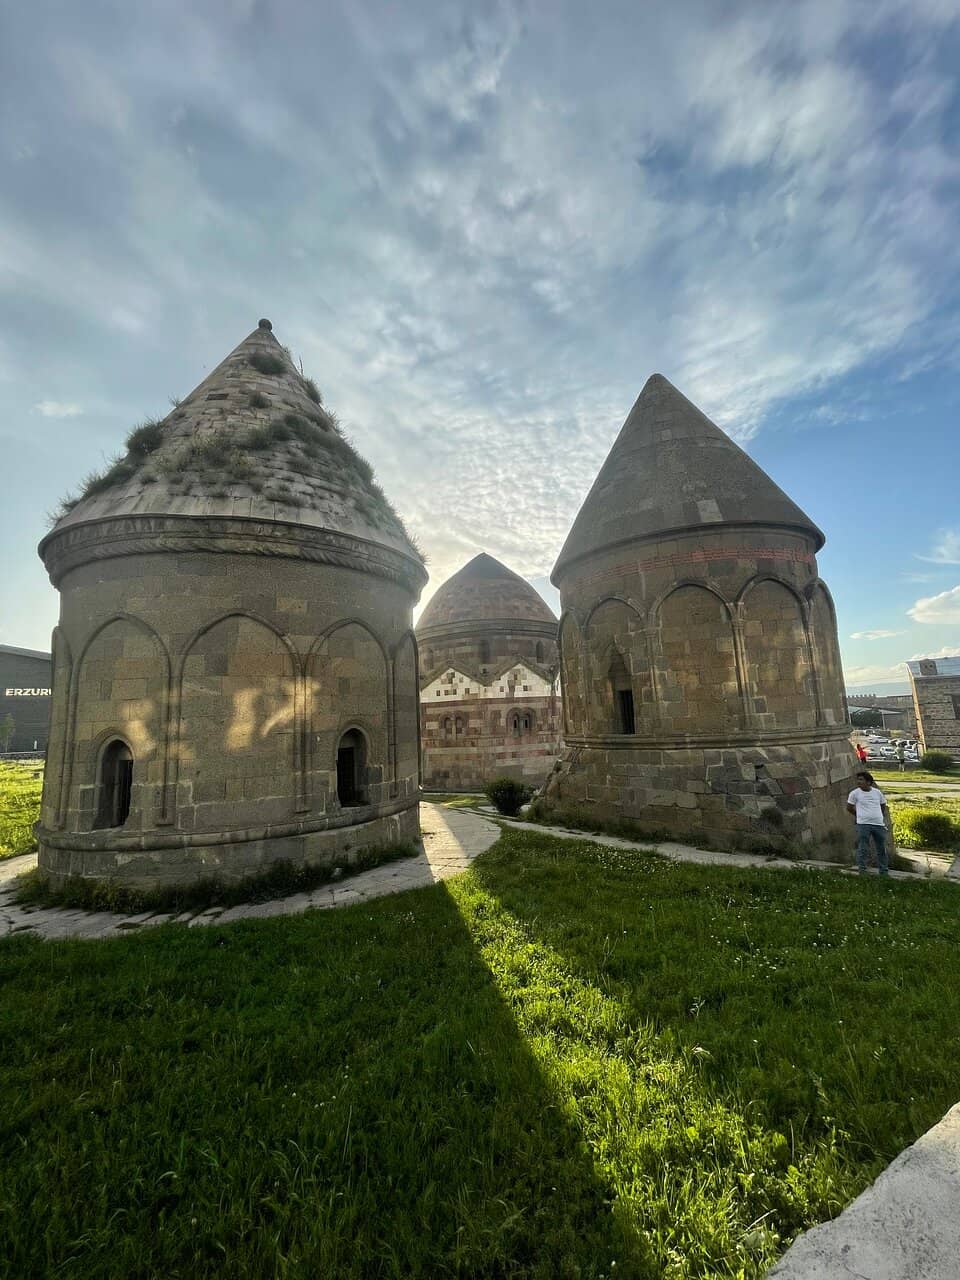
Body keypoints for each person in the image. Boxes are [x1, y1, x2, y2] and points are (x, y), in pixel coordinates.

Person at [846, 771, 890, 877]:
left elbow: (883, 805)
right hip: (863, 824)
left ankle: (883, 871)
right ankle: (862, 870)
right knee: (863, 848)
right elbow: (849, 807)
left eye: (861, 780)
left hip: (878, 824)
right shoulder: (854, 793)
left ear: (869, 782)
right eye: (858, 779)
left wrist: (879, 815)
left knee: (881, 849)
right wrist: (859, 815)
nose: (859, 782)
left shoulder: (877, 792)